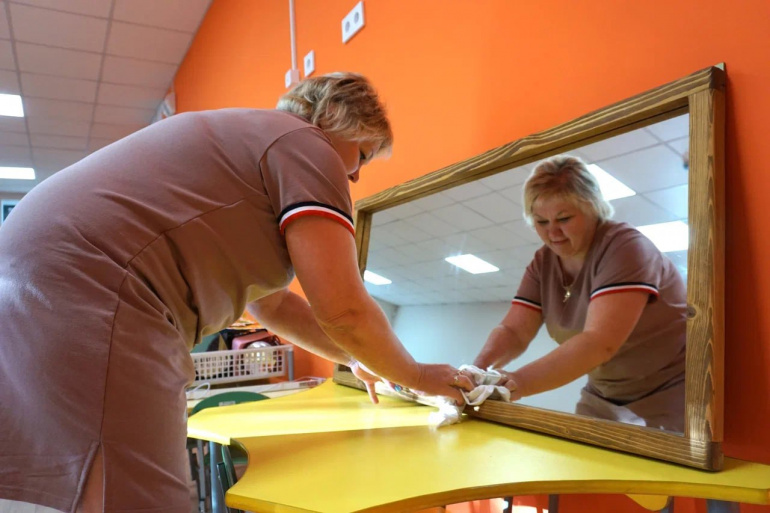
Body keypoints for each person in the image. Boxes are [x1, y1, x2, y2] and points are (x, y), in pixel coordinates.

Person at [0, 72, 472, 513]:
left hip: (31, 275)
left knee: (88, 485)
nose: (355, 177)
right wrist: (414, 374)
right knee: (137, 493)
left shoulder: (246, 146)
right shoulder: (305, 144)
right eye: (363, 155)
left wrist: (356, 357)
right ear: (340, 120)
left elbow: (271, 304)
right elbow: (343, 310)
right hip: (94, 279)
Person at [469, 155, 687, 432]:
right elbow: (515, 331)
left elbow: (599, 342)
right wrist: (476, 370)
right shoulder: (543, 263)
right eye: (541, 221)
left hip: (670, 390)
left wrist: (516, 383)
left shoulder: (625, 247)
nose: (553, 232)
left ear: (593, 209)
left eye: (564, 218)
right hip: (603, 393)